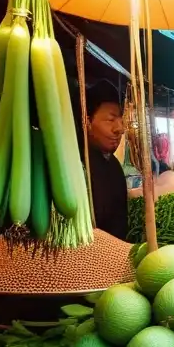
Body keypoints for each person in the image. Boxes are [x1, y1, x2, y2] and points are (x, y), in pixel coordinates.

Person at [79, 82, 127, 239]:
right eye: (110, 120)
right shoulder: (77, 163)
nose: (119, 128)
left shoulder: (114, 165)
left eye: (120, 120)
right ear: (87, 122)